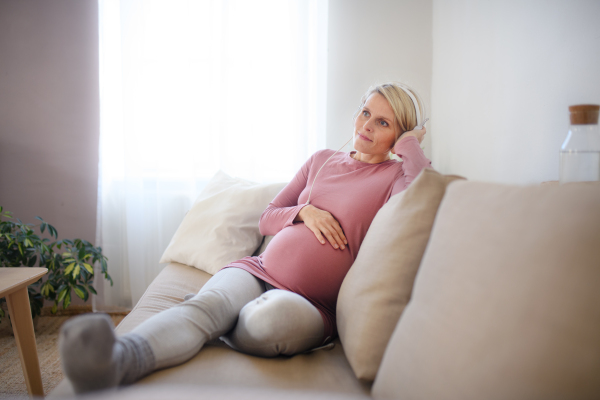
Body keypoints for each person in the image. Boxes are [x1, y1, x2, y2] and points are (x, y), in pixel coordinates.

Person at [59, 82, 432, 393]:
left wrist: (412, 143)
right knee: (205, 307)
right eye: (365, 112)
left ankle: (220, 324)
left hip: (313, 303)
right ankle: (114, 362)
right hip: (257, 271)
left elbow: (422, 190)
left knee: (266, 327)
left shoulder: (393, 180)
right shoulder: (322, 159)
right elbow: (268, 219)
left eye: (382, 122)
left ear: (398, 135)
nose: (366, 125)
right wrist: (303, 211)